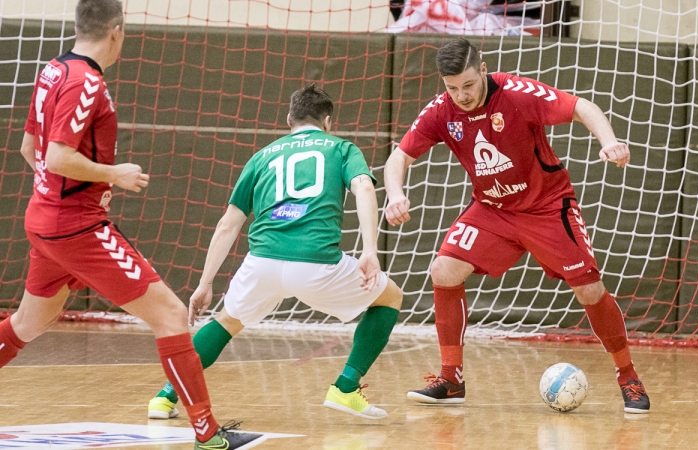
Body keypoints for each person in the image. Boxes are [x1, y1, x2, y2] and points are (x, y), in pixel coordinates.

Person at [0, 1, 262, 448]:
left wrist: (55, 193)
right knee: (171, 314)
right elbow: (59, 156)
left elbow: (31, 149)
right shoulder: (85, 81)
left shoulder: (52, 71)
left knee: (27, 324)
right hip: (77, 227)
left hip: (46, 221)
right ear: (117, 31)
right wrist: (113, 174)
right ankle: (208, 433)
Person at [383, 38, 650, 413]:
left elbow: (581, 107)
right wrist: (395, 195)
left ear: (484, 69)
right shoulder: (442, 110)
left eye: (468, 85)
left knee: (590, 290)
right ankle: (451, 379)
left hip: (546, 207)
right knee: (444, 269)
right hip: (493, 211)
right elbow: (399, 158)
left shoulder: (516, 92)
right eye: (452, 87)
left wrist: (610, 142)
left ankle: (628, 377)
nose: (461, 95)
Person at [146, 84, 403, 421]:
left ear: (288, 120)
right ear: (327, 121)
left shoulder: (262, 155)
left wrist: (205, 283)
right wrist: (370, 249)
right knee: (390, 297)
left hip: (261, 263)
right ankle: (345, 387)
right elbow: (364, 187)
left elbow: (228, 224)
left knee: (227, 321)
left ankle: (164, 398)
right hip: (315, 264)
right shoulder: (341, 148)